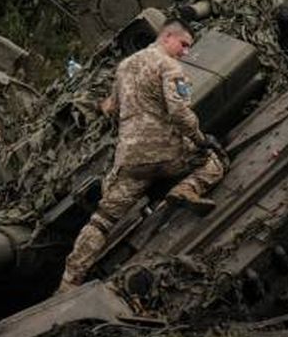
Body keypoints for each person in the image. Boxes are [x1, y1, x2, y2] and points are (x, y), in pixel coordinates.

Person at [58, 19, 226, 292]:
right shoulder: (170, 67)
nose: (185, 52)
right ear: (167, 37)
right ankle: (185, 189)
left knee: (102, 220)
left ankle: (68, 281)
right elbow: (179, 113)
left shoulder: (125, 67)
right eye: (183, 45)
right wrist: (201, 140)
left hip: (130, 160)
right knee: (215, 162)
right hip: (167, 153)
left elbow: (110, 107)